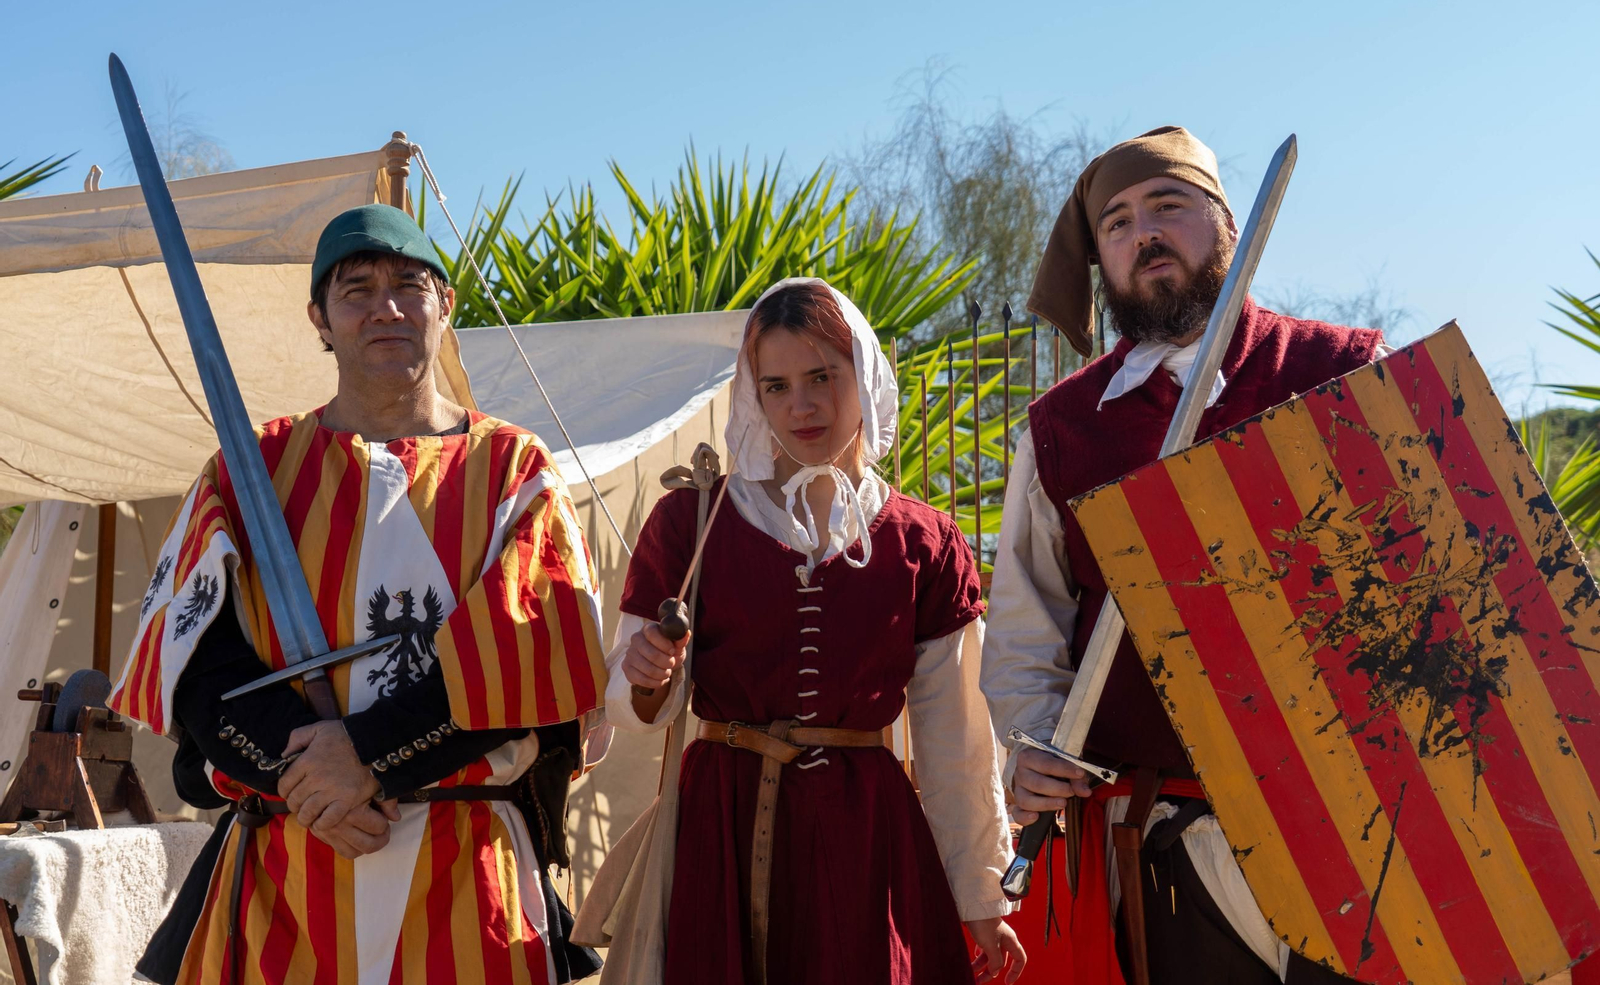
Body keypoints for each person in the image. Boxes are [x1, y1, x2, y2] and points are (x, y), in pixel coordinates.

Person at [110, 203, 608, 985]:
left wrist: (369, 758)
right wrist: (307, 776)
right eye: (357, 289)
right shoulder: (251, 468)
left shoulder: (514, 469)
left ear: (446, 304)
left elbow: (530, 660)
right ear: (321, 317)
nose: (387, 307)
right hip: (286, 877)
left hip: (465, 875)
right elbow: (195, 657)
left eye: (411, 285)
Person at [981, 127, 1384, 985]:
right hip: (1166, 841)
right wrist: (1028, 747)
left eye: (1170, 206)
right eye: (1118, 222)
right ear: (1100, 261)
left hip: (1356, 828)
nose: (1145, 233)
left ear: (1227, 227)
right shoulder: (1062, 430)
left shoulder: (1342, 372)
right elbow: (1026, 624)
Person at [607, 278, 1026, 985]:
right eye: (776, 385)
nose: (800, 405)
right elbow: (626, 702)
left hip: (866, 831)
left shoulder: (925, 541)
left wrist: (981, 895)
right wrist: (646, 673)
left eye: (822, 377)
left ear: (863, 377)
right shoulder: (691, 522)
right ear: (753, 395)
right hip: (723, 822)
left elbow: (957, 737)